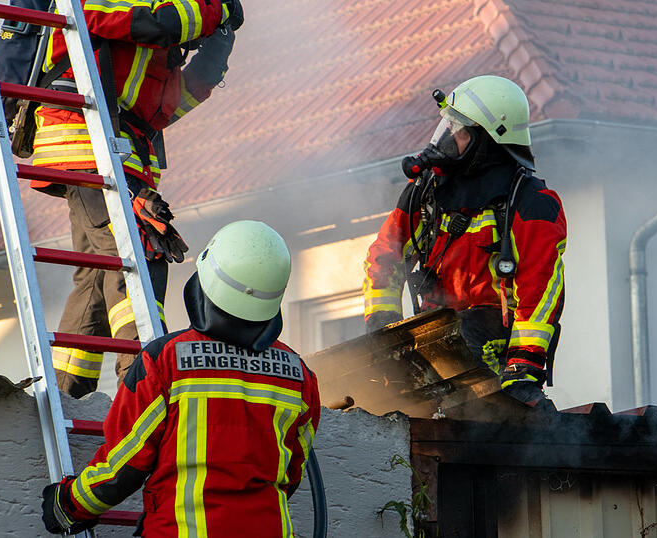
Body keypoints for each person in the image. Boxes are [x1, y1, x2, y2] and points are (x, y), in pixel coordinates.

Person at [40, 220, 321, 536]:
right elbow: (291, 473)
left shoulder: (166, 360)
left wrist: (66, 505)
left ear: (205, 280)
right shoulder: (300, 376)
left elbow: (123, 468)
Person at [29, 0, 244, 398]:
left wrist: (218, 48)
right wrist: (217, 11)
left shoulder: (150, 49)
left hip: (120, 154)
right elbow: (157, 23)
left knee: (98, 275)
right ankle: (144, 386)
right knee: (141, 254)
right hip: (87, 140)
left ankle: (67, 393)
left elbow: (169, 105)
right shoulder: (121, 11)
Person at [363, 75, 567, 406]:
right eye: (449, 126)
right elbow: (384, 258)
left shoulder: (531, 203)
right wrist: (383, 334)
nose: (448, 137)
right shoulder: (426, 192)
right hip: (433, 341)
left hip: (495, 347)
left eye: (459, 130)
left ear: (487, 140)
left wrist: (522, 369)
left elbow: (539, 292)